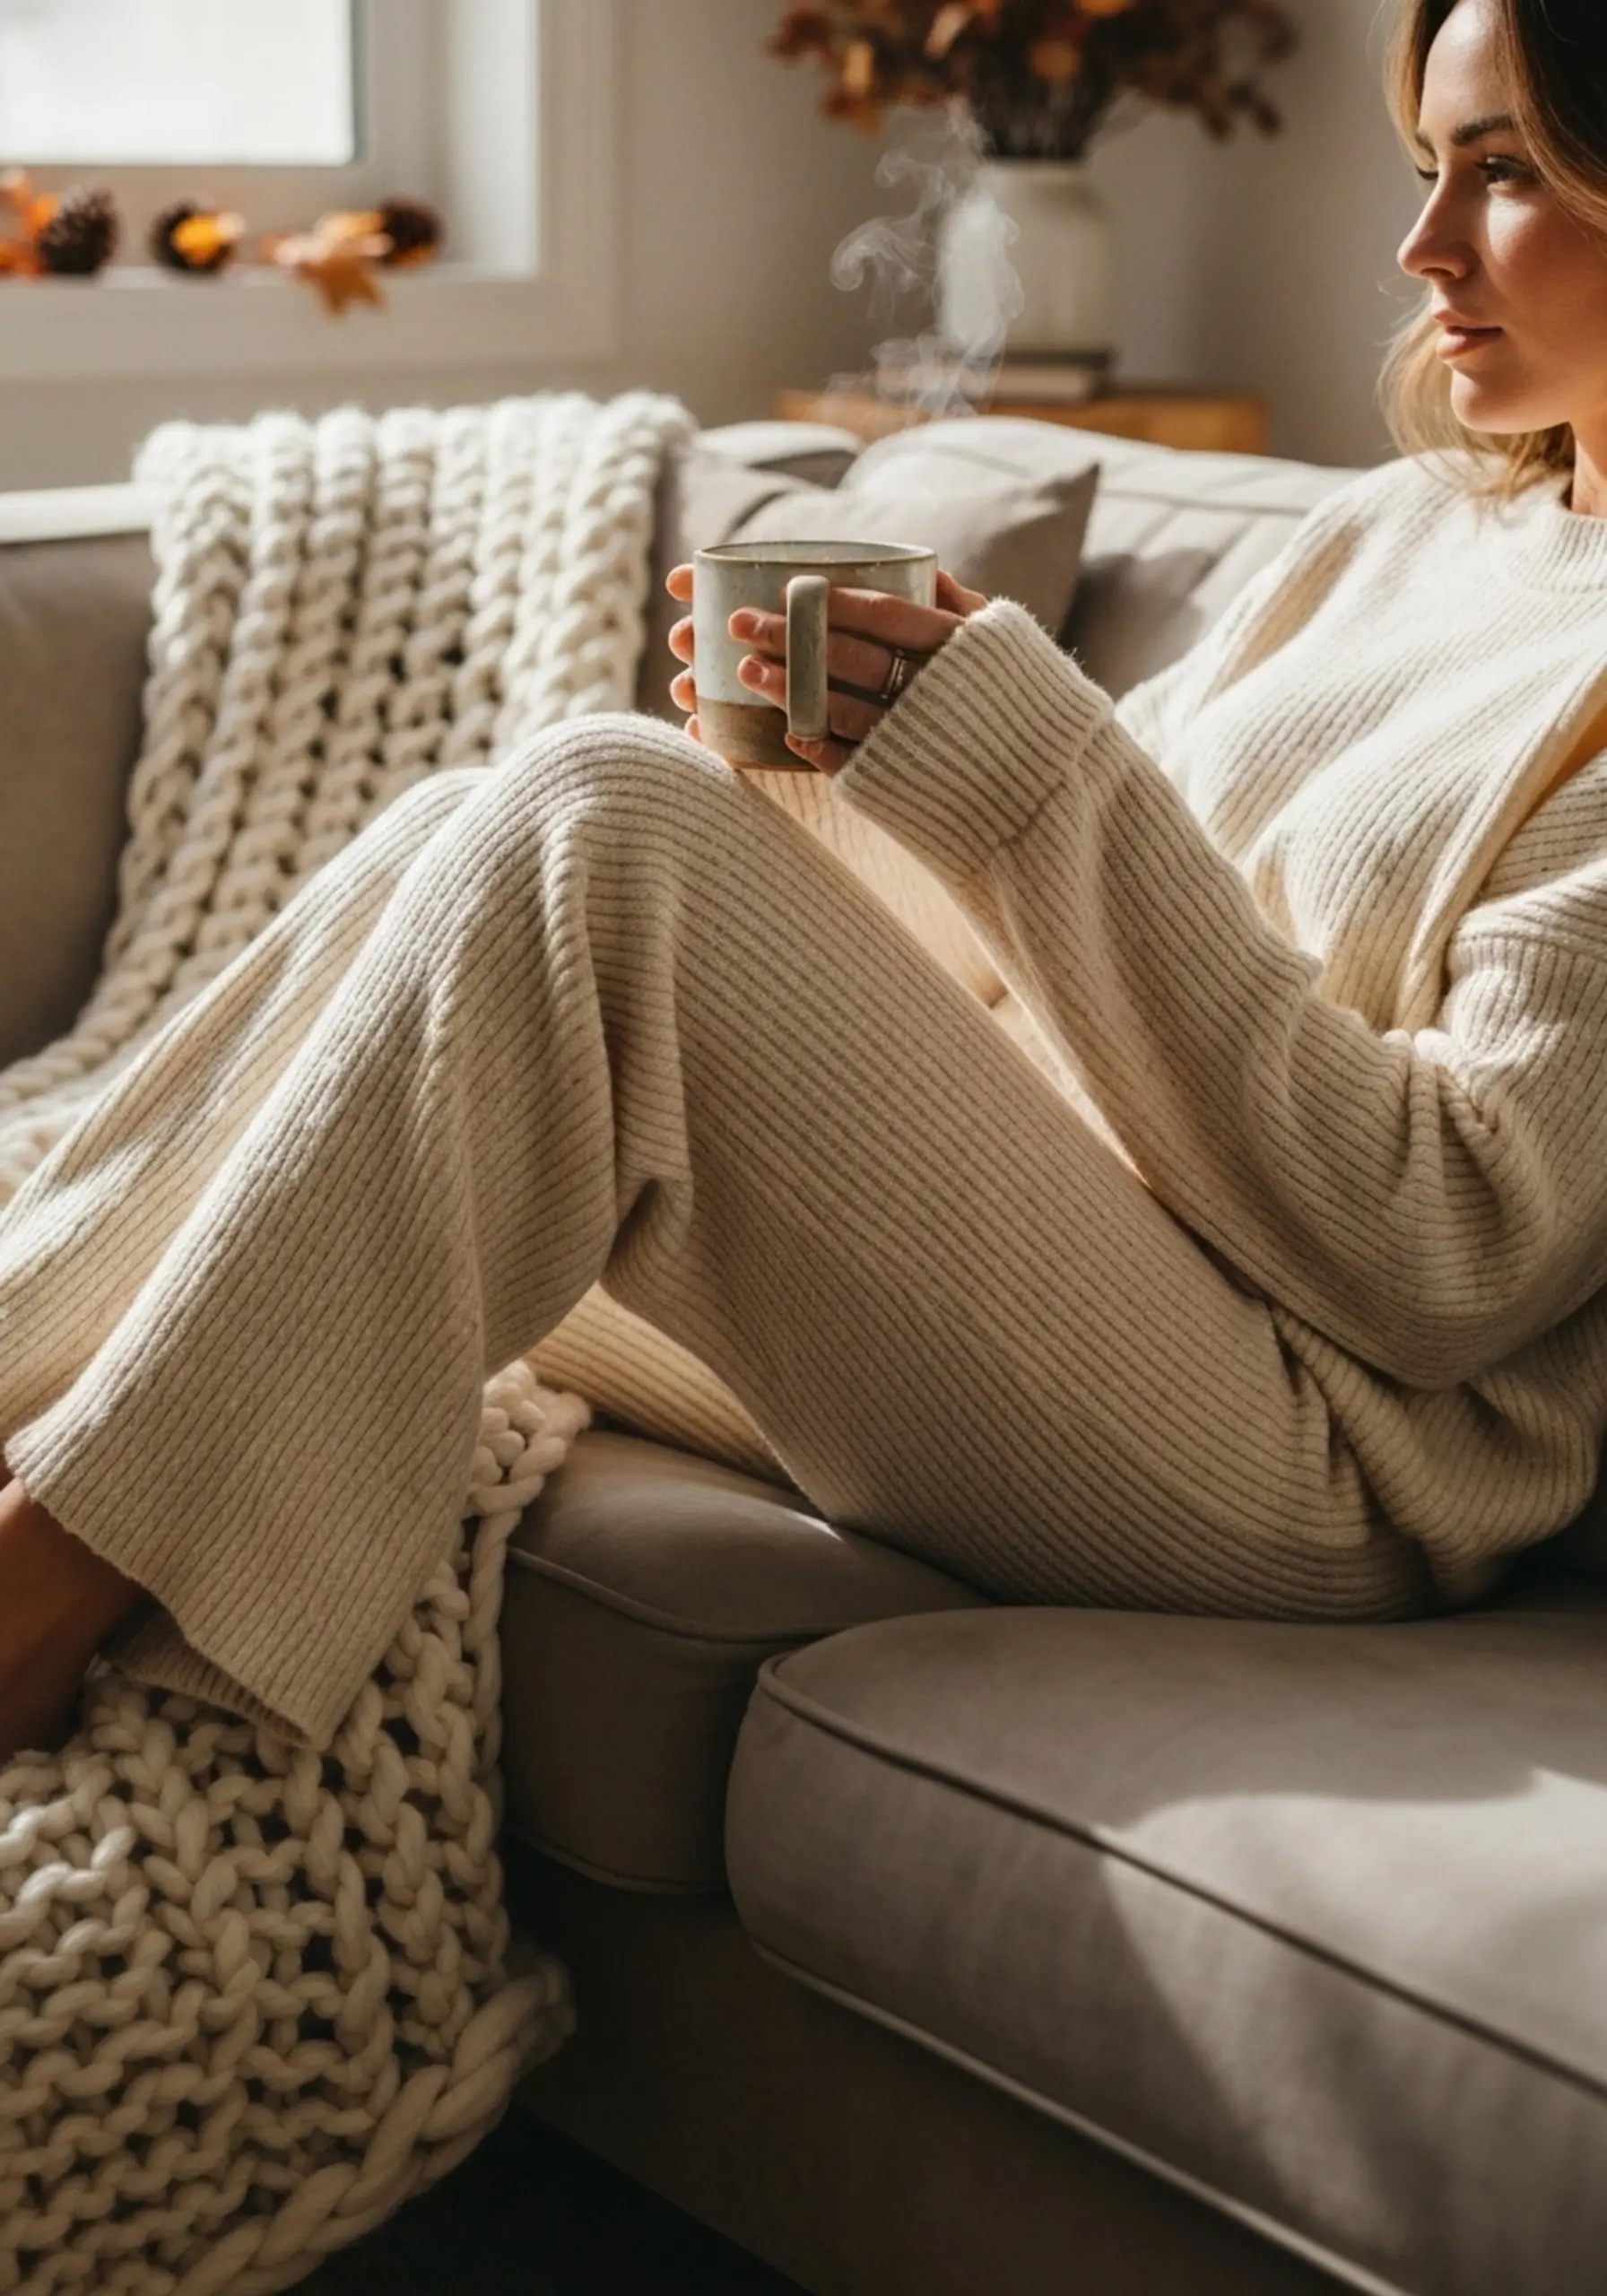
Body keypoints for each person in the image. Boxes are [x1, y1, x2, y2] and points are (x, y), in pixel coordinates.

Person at [3, 0, 1607, 1769]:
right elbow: (1063, 928)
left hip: (1310, 1445)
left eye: (1503, 169)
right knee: (488, 826)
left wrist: (1000, 754)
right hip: (1077, 1253)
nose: (1416, 243)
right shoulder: (1386, 533)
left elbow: (1440, 1258)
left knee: (598, 820)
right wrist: (823, 780)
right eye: (1419, 165)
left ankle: (46, 1586)